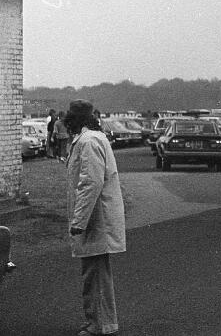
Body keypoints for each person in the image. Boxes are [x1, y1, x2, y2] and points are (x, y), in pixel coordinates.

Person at [64, 99, 126, 336]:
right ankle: (102, 322)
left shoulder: (88, 142)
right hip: (96, 217)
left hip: (95, 219)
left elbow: (90, 183)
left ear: (75, 120)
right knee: (95, 272)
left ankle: (98, 325)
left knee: (95, 275)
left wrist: (78, 221)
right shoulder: (92, 138)